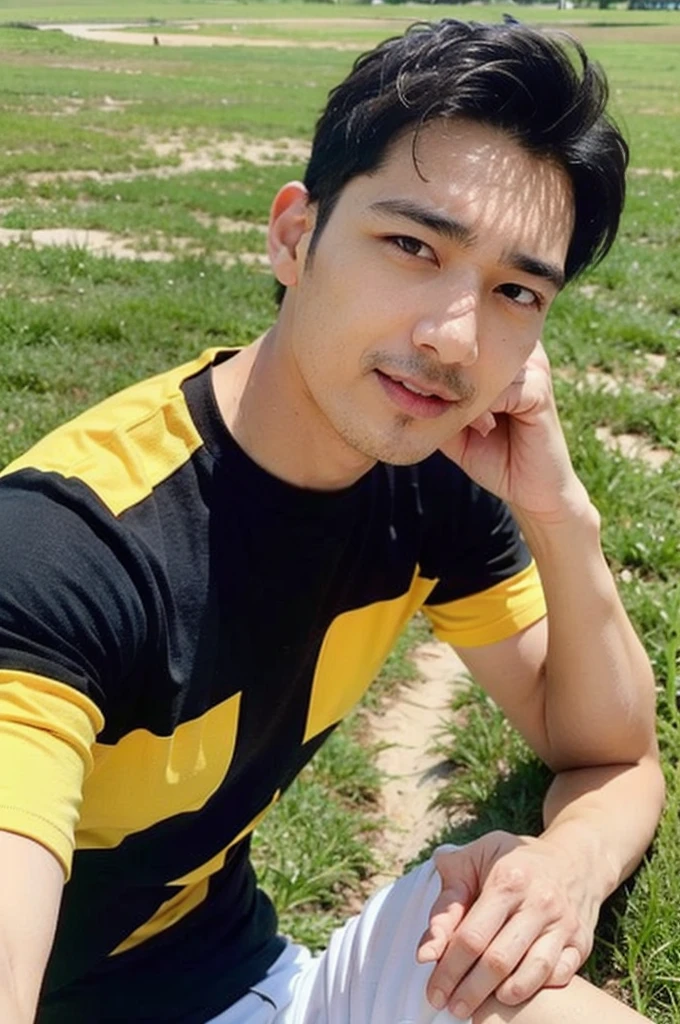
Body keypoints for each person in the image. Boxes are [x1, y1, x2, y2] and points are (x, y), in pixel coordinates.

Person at [0, 17, 664, 1024]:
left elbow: (611, 755)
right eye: (410, 244)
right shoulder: (64, 555)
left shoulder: (426, 476)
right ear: (292, 234)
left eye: (514, 289)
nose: (451, 337)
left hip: (261, 987)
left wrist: (555, 510)